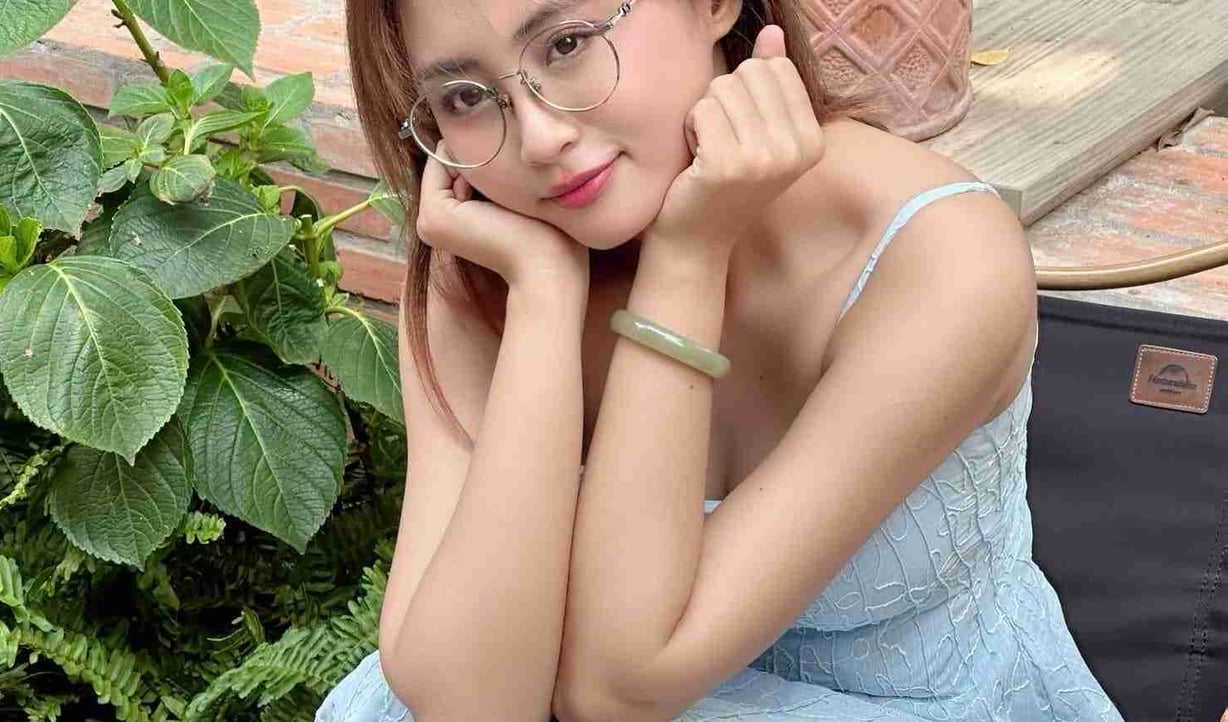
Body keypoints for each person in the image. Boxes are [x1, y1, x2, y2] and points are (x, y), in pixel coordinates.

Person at [320, 0, 1124, 719]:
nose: (539, 137)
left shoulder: (940, 260)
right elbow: (469, 704)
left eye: (567, 43)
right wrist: (541, 302)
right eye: (465, 97)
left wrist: (687, 260)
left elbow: (616, 691)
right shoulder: (489, 262)